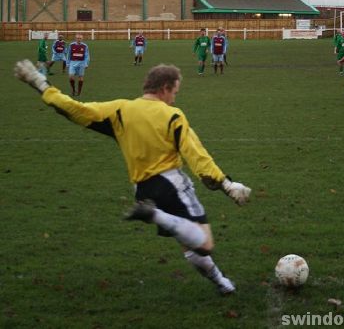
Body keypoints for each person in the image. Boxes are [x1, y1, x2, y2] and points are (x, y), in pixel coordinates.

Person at [13, 61, 251, 295]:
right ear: (165, 88)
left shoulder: (120, 110)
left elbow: (73, 109)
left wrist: (40, 83)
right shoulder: (172, 115)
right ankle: (156, 216)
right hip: (172, 185)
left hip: (143, 190)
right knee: (205, 244)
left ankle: (221, 282)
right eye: (174, 92)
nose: (174, 98)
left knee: (188, 246)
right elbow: (196, 156)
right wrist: (226, 184)